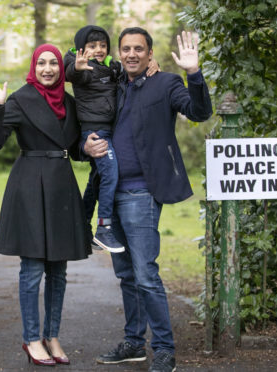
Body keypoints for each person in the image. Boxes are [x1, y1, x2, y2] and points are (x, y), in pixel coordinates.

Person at [84, 28, 213, 372]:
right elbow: (88, 118)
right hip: (109, 194)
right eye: (125, 48)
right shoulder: (111, 83)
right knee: (126, 275)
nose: (131, 54)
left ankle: (165, 349)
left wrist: (193, 73)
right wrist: (85, 147)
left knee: (144, 274)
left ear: (149, 53)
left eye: (138, 49)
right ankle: (133, 343)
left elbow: (199, 112)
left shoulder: (166, 84)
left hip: (142, 192)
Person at [0, 44, 91, 367]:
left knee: (58, 271)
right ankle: (31, 338)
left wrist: (91, 146)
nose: (47, 69)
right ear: (34, 66)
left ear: (61, 68)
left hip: (61, 187)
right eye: (41, 63)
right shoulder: (19, 99)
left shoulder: (69, 104)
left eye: (53, 63)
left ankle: (52, 335)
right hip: (30, 187)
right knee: (32, 270)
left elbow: (75, 149)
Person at [63, 25, 159, 253]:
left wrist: (152, 66)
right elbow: (73, 74)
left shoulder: (110, 67)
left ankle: (81, 227)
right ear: (81, 49)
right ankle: (104, 228)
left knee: (95, 180)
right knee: (110, 175)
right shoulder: (81, 66)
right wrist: (76, 67)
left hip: (109, 131)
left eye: (103, 45)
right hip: (96, 133)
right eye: (92, 46)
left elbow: (130, 74)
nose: (98, 50)